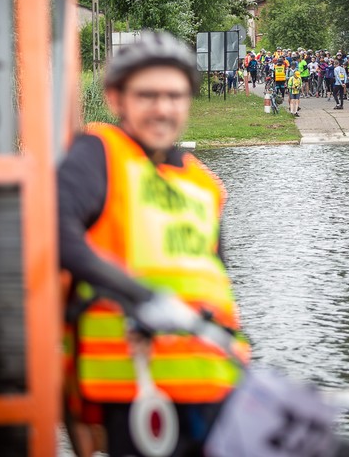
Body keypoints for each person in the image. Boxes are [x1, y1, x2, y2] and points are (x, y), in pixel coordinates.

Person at [58, 31, 250, 457]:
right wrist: (140, 296)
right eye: (147, 95)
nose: (163, 108)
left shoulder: (204, 184)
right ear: (116, 99)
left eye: (175, 96)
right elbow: (56, 232)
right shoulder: (99, 153)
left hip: (214, 383)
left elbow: (218, 282)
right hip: (136, 389)